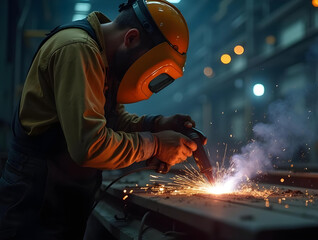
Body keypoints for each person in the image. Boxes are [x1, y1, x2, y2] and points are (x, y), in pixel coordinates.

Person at [0, 0, 196, 239]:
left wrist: (155, 124)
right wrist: (155, 144)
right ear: (131, 38)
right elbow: (90, 145)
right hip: (36, 198)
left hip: (60, 194)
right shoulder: (77, 49)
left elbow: (112, 120)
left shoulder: (103, 58)